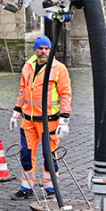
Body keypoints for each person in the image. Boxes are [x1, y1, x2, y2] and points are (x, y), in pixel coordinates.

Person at [9, 36, 71, 200]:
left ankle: (51, 188)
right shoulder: (28, 66)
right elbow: (23, 91)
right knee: (26, 154)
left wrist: (64, 119)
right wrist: (16, 112)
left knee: (49, 155)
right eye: (40, 48)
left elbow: (65, 94)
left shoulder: (59, 68)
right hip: (28, 120)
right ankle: (26, 187)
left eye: (46, 48)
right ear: (35, 50)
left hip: (48, 121)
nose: (43, 51)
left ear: (50, 50)